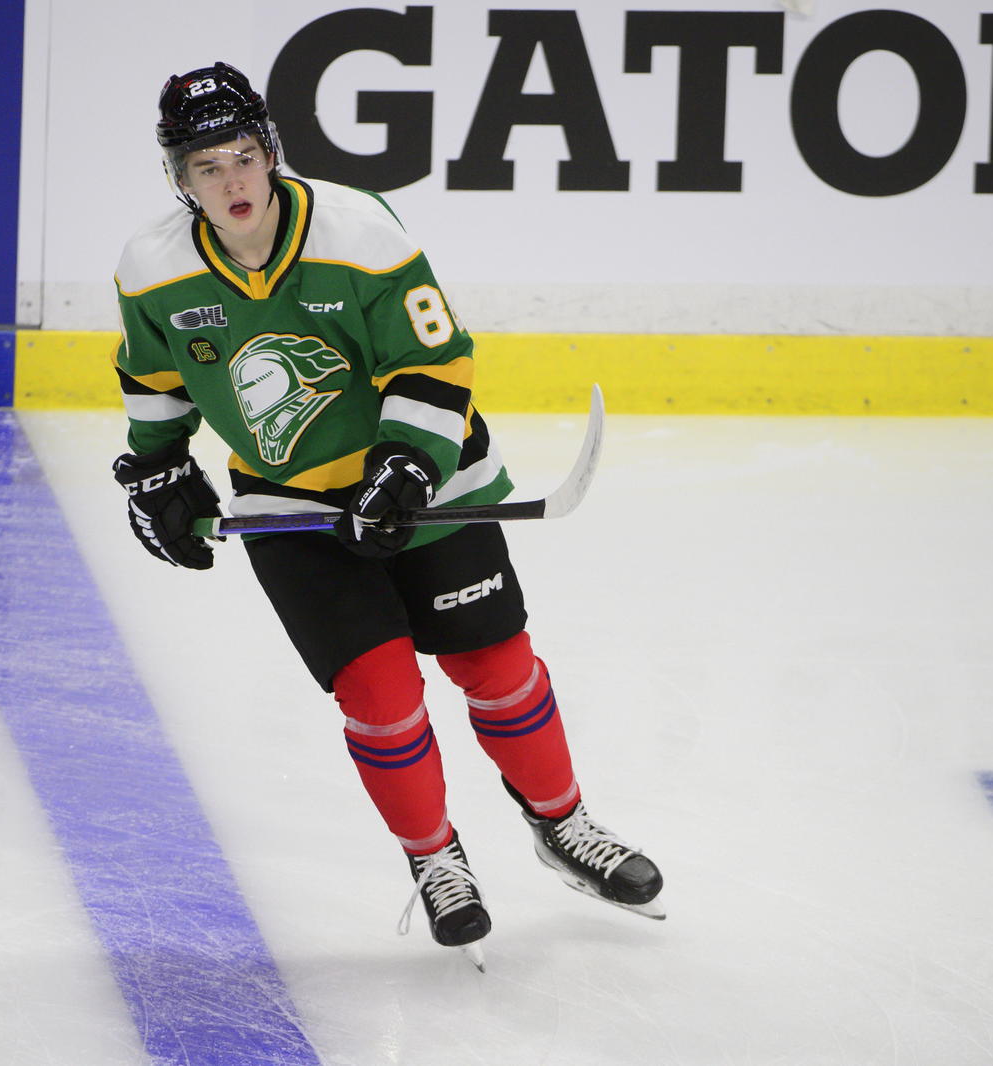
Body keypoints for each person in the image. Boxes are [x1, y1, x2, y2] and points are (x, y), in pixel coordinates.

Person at [108, 61, 663, 965]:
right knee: (381, 695)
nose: (232, 182)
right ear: (179, 179)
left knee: (496, 664)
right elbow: (154, 376)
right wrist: (157, 471)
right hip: (290, 507)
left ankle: (564, 826)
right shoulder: (152, 265)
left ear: (273, 152)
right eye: (206, 167)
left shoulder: (359, 232)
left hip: (430, 482)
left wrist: (404, 467)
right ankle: (435, 858)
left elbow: (435, 362)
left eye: (244, 157)